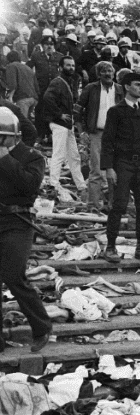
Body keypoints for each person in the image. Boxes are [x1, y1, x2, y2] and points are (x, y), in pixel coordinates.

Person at [0, 107, 53, 353]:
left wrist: (5, 158)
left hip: (18, 221)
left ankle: (41, 327)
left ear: (13, 136)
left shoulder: (32, 156)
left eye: (2, 137)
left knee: (13, 275)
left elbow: (29, 185)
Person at [102, 73, 140, 265]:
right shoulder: (116, 111)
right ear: (126, 87)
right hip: (122, 163)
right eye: (137, 84)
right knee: (118, 205)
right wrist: (109, 168)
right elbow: (107, 141)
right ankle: (111, 247)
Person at [75, 61, 124, 210]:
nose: (108, 74)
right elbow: (77, 110)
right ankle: (93, 205)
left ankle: (113, 205)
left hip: (117, 135)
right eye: (104, 71)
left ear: (114, 73)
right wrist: (81, 131)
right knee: (96, 170)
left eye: (110, 71)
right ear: (98, 74)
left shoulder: (120, 89)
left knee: (115, 169)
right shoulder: (91, 88)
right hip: (97, 133)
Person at [42, 55, 87, 200]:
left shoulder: (68, 81)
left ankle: (81, 185)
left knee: (74, 156)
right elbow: (47, 98)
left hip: (67, 124)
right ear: (60, 67)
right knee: (59, 154)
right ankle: (53, 184)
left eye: (73, 65)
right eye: (68, 65)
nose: (71, 68)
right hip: (59, 124)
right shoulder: (57, 82)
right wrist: (59, 114)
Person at [5, 51, 39, 120]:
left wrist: (10, 97)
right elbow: (36, 85)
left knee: (21, 122)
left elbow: (13, 84)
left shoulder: (11, 66)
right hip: (34, 99)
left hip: (22, 99)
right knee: (28, 122)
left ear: (8, 59)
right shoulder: (27, 67)